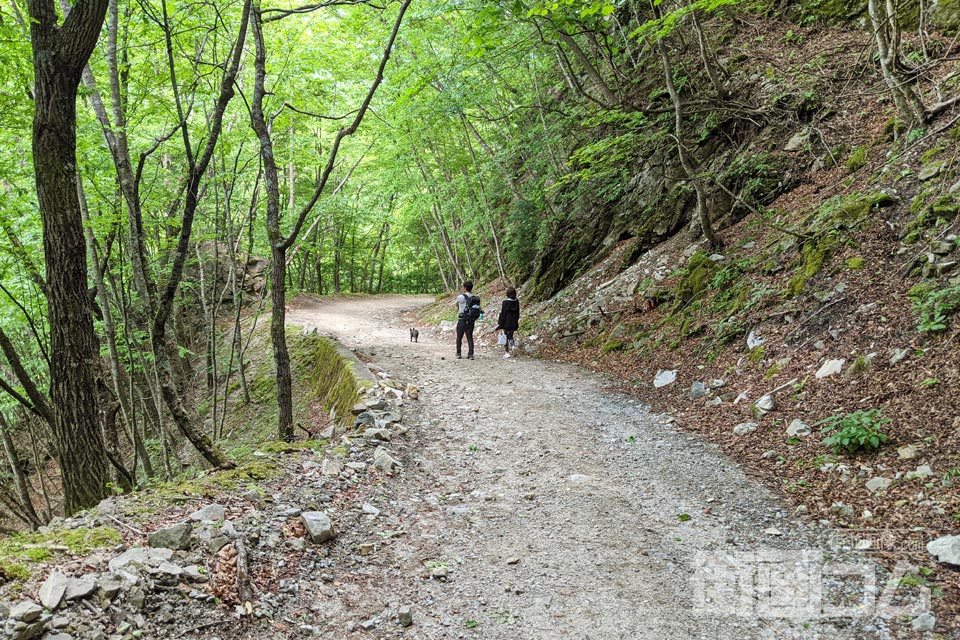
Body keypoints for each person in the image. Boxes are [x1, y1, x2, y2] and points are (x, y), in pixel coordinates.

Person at [496, 287, 520, 358]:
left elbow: (503, 314)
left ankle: (507, 352)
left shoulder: (505, 302)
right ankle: (513, 346)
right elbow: (518, 313)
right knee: (511, 336)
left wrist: (500, 324)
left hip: (506, 322)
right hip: (514, 322)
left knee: (505, 337)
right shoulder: (516, 302)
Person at [455, 281, 477, 360]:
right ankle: (470, 354)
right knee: (469, 337)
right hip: (471, 320)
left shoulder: (460, 297)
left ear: (465, 288)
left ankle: (458, 353)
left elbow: (457, 304)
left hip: (462, 320)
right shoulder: (475, 298)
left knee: (459, 337)